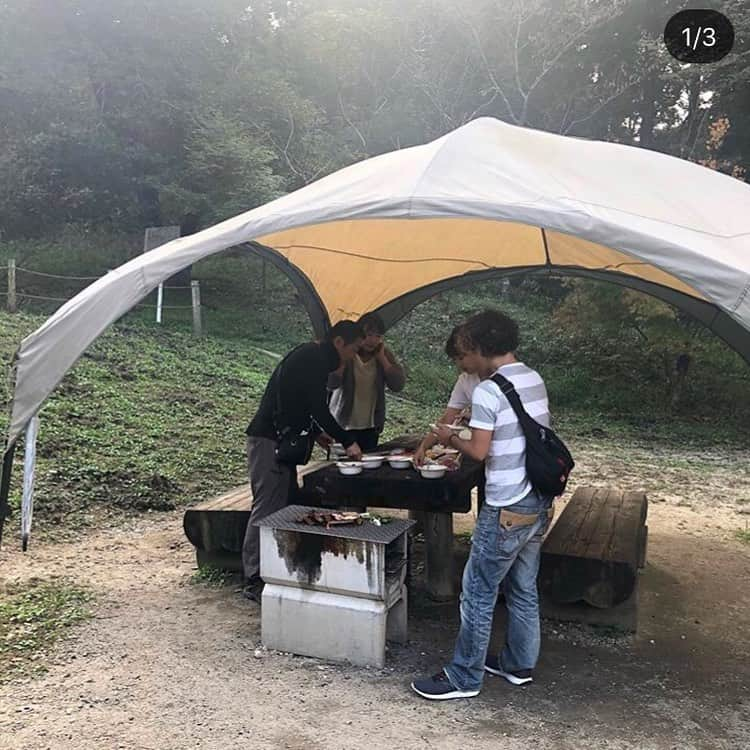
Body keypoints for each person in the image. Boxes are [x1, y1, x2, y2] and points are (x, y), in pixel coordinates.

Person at [411, 309, 553, 700]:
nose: (462, 360)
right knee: (523, 586)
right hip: (539, 500)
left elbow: (477, 450)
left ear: (477, 347)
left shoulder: (489, 389)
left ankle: (464, 676)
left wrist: (447, 437)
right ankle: (518, 664)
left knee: (477, 590)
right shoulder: (532, 377)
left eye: (463, 352)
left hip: (507, 504)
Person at [242, 320, 365, 602]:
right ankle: (253, 578)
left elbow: (298, 403)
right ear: (339, 342)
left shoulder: (314, 357)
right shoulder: (313, 358)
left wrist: (317, 433)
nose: (353, 356)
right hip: (268, 441)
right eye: (353, 350)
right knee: (266, 507)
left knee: (282, 504)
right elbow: (318, 407)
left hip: (280, 442)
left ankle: (272, 569)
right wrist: (347, 440)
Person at [328, 312, 406, 452]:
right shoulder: (348, 351)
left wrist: (383, 360)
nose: (372, 341)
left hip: (370, 425)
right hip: (344, 423)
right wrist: (342, 363)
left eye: (378, 336)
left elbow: (398, 384)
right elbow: (331, 384)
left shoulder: (383, 354)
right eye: (369, 335)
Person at [413, 325, 480, 467]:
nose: (459, 364)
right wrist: (423, 447)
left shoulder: (499, 378)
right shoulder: (465, 380)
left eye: (462, 357)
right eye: (456, 359)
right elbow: (447, 418)